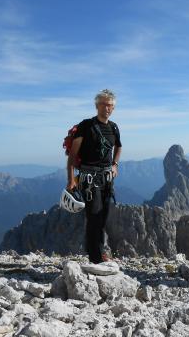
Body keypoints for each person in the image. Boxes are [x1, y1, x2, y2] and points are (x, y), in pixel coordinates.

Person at [66, 89, 122, 264]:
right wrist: (71, 179)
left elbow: (118, 146)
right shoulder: (86, 126)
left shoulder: (113, 127)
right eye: (104, 104)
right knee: (94, 217)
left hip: (106, 178)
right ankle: (96, 258)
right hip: (89, 179)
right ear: (97, 106)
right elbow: (73, 156)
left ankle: (98, 252)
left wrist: (115, 164)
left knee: (103, 218)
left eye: (110, 105)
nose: (107, 108)